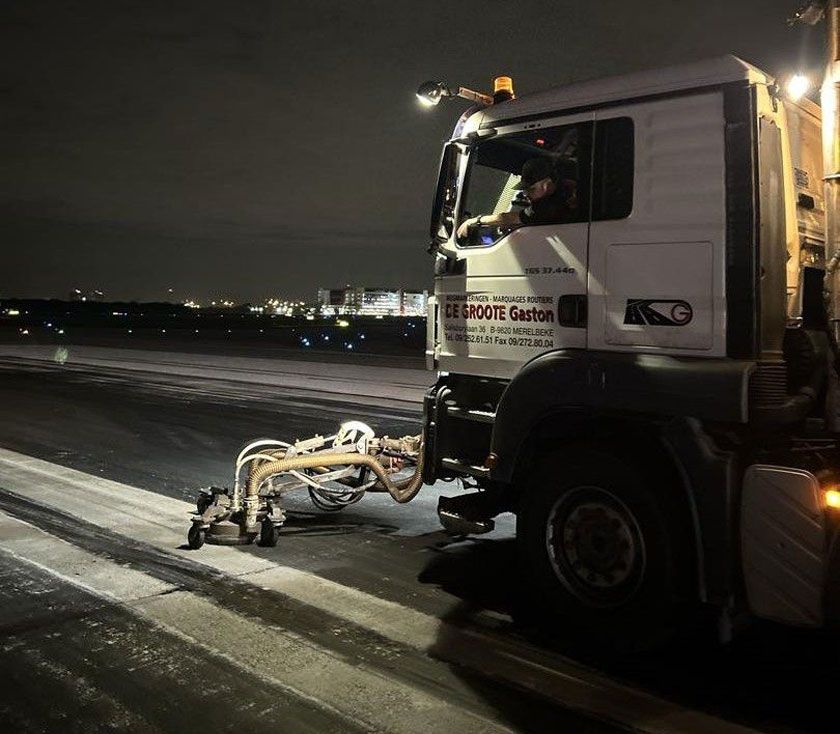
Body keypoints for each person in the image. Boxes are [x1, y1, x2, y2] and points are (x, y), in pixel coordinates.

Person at [456, 157, 576, 240]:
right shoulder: (568, 188)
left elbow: (510, 218)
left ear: (547, 184)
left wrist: (476, 220)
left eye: (531, 189)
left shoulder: (546, 205)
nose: (526, 194)